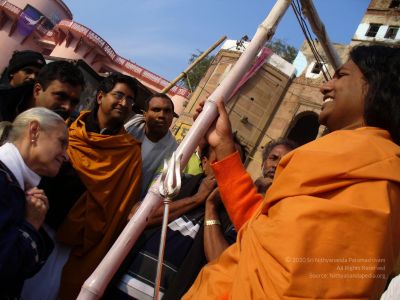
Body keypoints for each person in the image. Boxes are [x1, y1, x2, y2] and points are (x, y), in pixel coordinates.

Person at [183, 44, 400, 299]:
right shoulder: (360, 165)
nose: (325, 87)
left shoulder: (369, 176)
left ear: (376, 85)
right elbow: (266, 232)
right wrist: (223, 145)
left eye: (341, 76)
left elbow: (299, 282)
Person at [106, 137, 246, 300]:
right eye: (219, 159)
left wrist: (211, 207)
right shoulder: (179, 183)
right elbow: (135, 216)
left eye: (232, 162)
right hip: (118, 286)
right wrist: (196, 199)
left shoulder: (236, 214)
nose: (225, 166)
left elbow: (222, 264)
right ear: (205, 162)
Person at [0, 107, 68, 298]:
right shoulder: (4, 182)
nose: (66, 155)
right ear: (34, 131)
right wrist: (30, 225)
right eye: (62, 143)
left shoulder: (15, 184)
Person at [125, 93, 178, 197]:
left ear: (172, 117)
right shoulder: (128, 128)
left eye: (167, 111)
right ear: (145, 114)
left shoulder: (173, 152)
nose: (162, 115)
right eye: (156, 110)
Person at [0, 60, 85, 122]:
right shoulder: (3, 107)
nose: (67, 107)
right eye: (61, 96)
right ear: (37, 91)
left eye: (74, 102)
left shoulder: (64, 132)